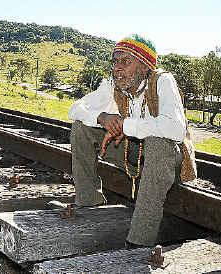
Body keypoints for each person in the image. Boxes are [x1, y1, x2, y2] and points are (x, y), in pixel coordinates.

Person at [68, 34, 194, 247]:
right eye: (115, 61)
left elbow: (175, 129)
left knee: (157, 142)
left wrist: (125, 125)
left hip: (167, 160)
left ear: (145, 66)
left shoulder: (163, 81)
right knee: (81, 127)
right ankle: (89, 203)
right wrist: (102, 118)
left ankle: (138, 241)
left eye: (126, 62)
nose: (118, 68)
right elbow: (76, 108)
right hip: (133, 154)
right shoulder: (112, 84)